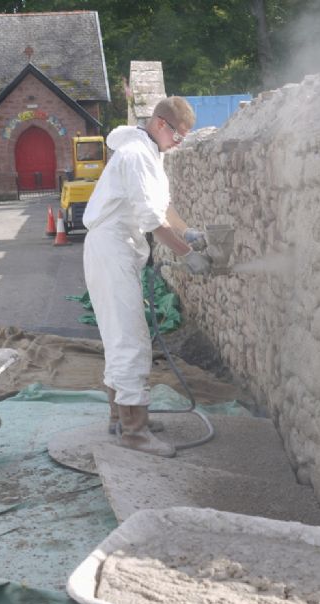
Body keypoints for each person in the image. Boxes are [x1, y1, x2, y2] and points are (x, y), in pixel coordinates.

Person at [82, 96, 210, 459]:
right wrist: (189, 257)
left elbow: (162, 206)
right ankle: (134, 432)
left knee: (120, 335)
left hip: (119, 249)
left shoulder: (151, 153)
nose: (179, 142)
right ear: (159, 124)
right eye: (178, 135)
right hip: (111, 249)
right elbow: (153, 223)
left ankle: (118, 417)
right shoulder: (136, 155)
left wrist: (187, 232)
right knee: (130, 339)